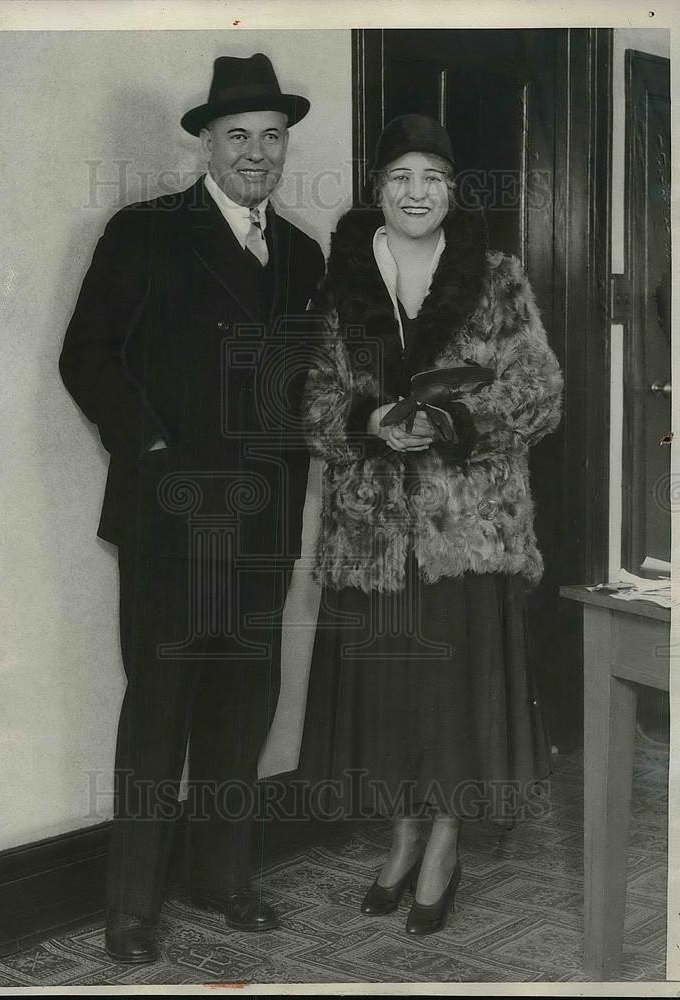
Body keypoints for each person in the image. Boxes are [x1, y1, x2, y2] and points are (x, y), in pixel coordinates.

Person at [60, 53, 324, 962]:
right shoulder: (145, 232)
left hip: (261, 522)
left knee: (241, 706)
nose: (257, 153)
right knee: (159, 708)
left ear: (286, 146)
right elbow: (87, 355)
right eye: (238, 136)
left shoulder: (303, 252)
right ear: (207, 144)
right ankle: (131, 908)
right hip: (171, 517)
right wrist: (158, 451)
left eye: (272, 137)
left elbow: (305, 386)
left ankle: (219, 875)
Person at [299, 114, 563, 936]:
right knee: (394, 697)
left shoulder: (496, 277)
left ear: (452, 190)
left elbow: (540, 394)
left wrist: (452, 424)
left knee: (453, 698)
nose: (416, 194)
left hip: (468, 530)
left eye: (433, 178)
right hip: (373, 534)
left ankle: (444, 842)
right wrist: (368, 418)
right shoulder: (339, 280)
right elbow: (308, 401)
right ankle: (404, 833)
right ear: (377, 188)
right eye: (400, 177)